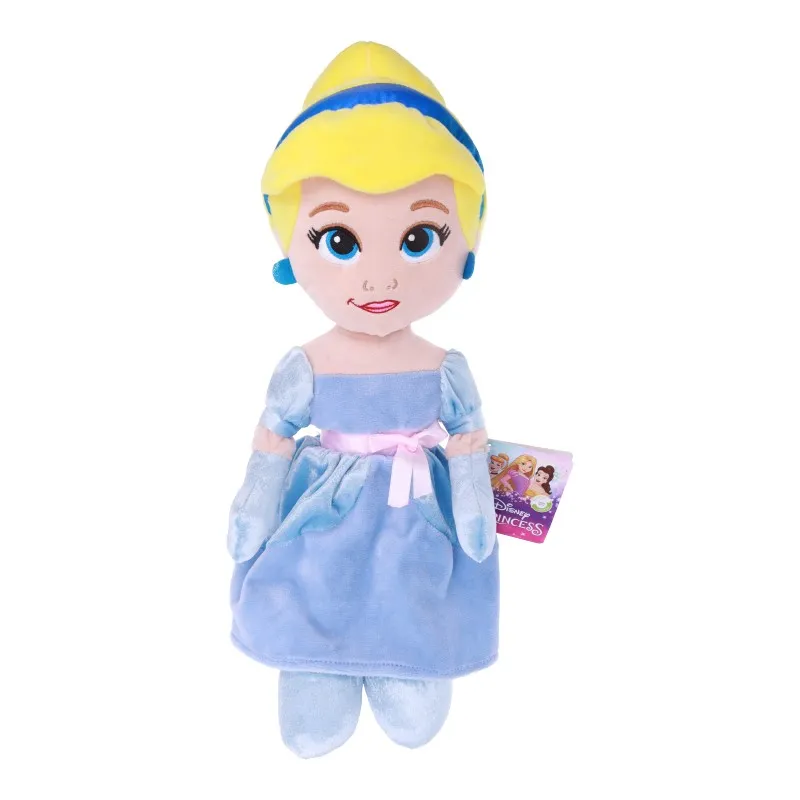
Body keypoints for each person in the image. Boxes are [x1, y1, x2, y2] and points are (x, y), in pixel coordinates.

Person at [227, 42, 499, 758]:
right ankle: (316, 661)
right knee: (313, 577)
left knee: (412, 590)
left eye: (419, 237)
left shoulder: (445, 368)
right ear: (291, 248)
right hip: (327, 504)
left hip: (418, 510)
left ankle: (404, 662)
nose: (379, 277)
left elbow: (469, 443)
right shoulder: (307, 365)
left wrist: (474, 506)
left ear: (466, 242)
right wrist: (255, 507)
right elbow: (274, 440)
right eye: (340, 240)